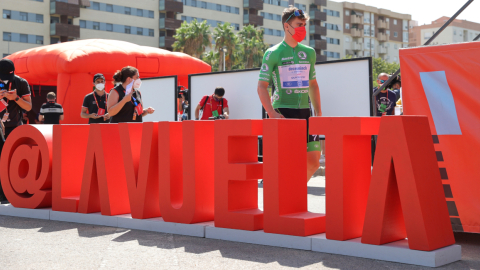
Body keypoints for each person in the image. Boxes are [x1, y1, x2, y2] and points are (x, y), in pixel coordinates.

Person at [257, 6, 322, 182]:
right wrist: (271, 113)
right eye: (299, 24)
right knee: (287, 160)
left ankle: (294, 190)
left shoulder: (309, 52)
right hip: (283, 111)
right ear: (287, 26)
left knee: (314, 162)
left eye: (304, 25)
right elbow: (262, 86)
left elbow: (313, 85)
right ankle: (286, 194)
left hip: (305, 111)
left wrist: (319, 113)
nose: (303, 28)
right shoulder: (273, 53)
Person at [0, 58, 33, 203]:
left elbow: (28, 107)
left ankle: (9, 194)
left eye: (9, 77)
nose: (6, 80)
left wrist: (16, 98)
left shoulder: (21, 82)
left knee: (12, 161)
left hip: (14, 126)